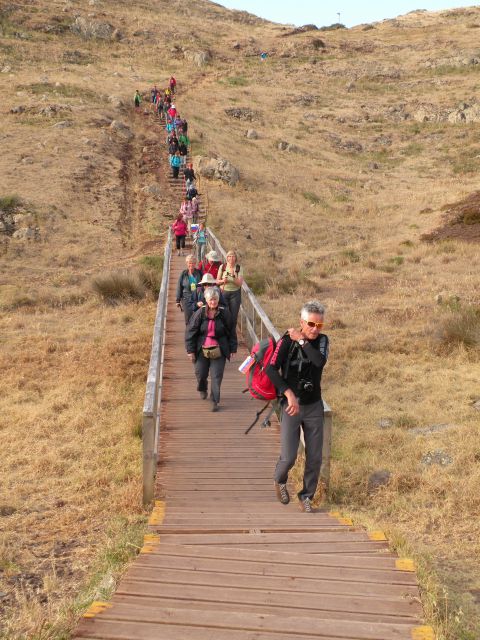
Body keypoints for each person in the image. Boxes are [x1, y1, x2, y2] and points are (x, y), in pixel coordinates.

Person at [266, 300, 329, 513]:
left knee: (314, 456)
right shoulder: (286, 341)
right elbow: (271, 370)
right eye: (311, 324)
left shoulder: (322, 341)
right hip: (291, 406)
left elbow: (319, 362)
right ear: (301, 321)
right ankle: (280, 479)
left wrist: (302, 341)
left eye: (319, 325)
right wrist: (288, 393)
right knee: (289, 456)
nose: (314, 329)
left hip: (313, 406)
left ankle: (306, 496)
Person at [185, 287, 236, 412]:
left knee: (216, 375)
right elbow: (190, 332)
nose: (213, 302)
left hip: (219, 348)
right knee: (200, 373)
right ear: (206, 300)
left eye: (215, 299)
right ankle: (203, 388)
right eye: (211, 299)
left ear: (218, 300)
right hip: (202, 348)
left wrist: (233, 348)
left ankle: (214, 400)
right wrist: (190, 351)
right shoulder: (200, 313)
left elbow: (231, 331)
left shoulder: (225, 313)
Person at [217, 250, 243, 335]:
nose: (231, 258)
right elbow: (217, 281)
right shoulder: (222, 267)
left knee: (233, 316)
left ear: (235, 258)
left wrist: (233, 276)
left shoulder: (238, 268)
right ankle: (224, 334)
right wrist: (222, 280)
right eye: (229, 256)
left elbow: (239, 283)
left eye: (233, 256)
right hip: (224, 292)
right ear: (227, 258)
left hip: (235, 294)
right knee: (224, 314)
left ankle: (231, 334)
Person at [176, 254, 202, 323]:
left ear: (195, 263)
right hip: (186, 298)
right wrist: (177, 300)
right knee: (188, 319)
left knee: (197, 318)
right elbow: (179, 286)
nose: (191, 264)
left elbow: (203, 284)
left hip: (197, 298)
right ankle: (188, 332)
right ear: (187, 263)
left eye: (193, 263)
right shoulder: (183, 274)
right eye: (189, 263)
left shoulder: (199, 273)